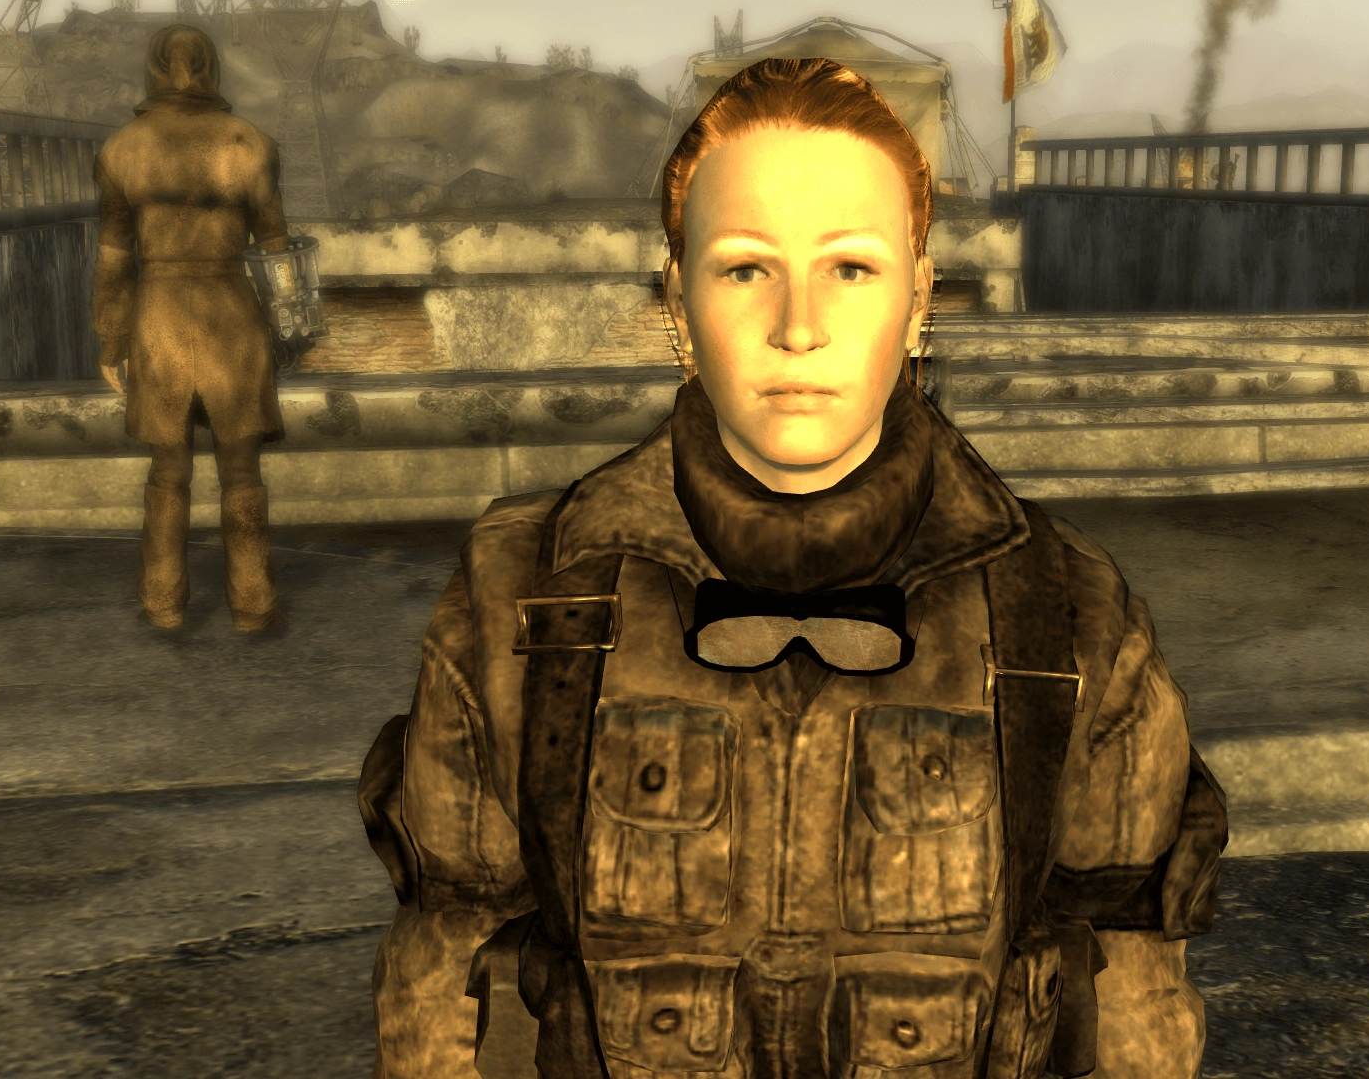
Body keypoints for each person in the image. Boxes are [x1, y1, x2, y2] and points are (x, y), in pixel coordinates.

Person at [358, 57, 1227, 1079]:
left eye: (850, 269)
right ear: (678, 304)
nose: (799, 328)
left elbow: (1131, 996)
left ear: (918, 302)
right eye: (745, 270)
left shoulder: (1071, 613)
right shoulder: (522, 592)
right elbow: (445, 980)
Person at [92, 23, 286, 632]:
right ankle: (252, 602)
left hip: (160, 317)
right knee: (242, 472)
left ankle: (163, 601)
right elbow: (277, 249)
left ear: (154, 66)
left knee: (168, 473)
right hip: (231, 314)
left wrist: (112, 337)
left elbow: (114, 257)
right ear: (210, 66)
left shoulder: (122, 148)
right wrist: (289, 326)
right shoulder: (249, 142)